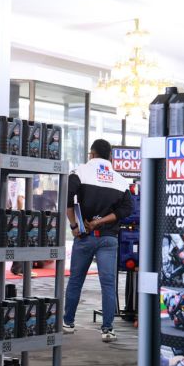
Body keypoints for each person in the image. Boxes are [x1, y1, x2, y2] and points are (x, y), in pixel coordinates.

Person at [63, 139, 133, 341]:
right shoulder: (120, 180)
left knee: (76, 281)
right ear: (110, 156)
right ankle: (108, 329)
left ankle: (68, 323)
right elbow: (127, 209)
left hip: (84, 237)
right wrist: (100, 221)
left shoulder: (80, 172)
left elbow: (66, 198)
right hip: (108, 239)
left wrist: (75, 225)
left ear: (91, 154)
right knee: (108, 285)